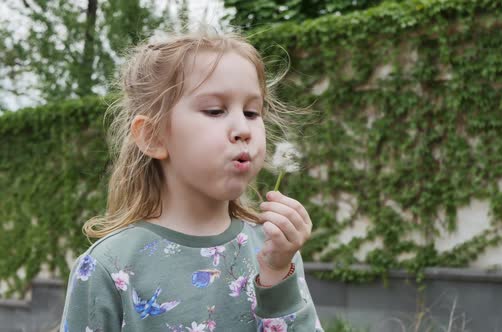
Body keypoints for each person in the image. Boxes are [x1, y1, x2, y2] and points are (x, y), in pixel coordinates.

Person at [60, 24, 323, 332]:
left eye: (252, 112)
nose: (243, 128)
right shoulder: (107, 266)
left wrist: (277, 275)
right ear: (153, 136)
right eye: (215, 110)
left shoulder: (273, 249)